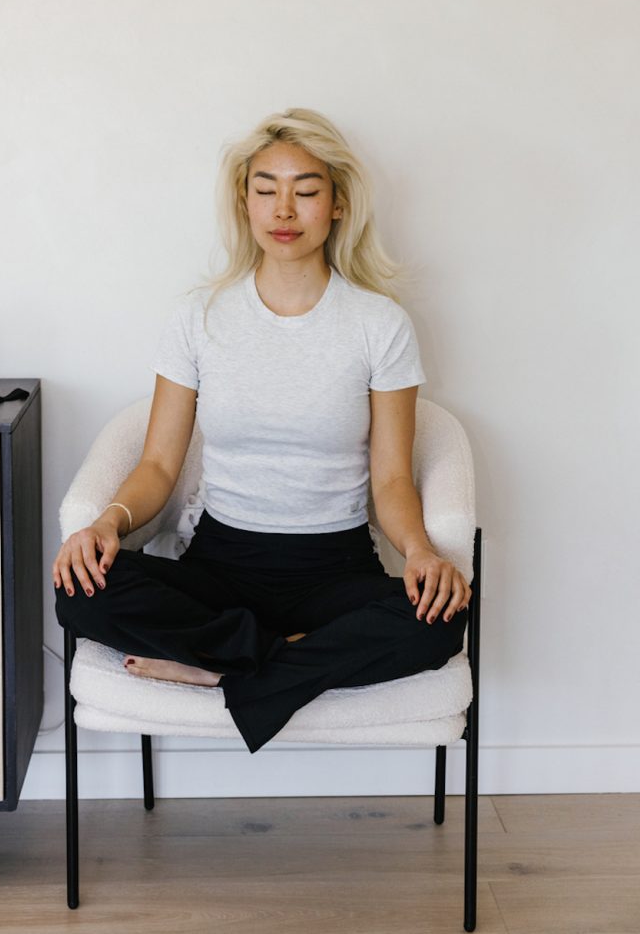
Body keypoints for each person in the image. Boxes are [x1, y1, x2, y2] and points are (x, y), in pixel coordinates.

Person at [54, 108, 471, 753]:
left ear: (336, 205)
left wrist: (419, 550)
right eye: (266, 189)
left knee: (441, 622)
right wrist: (107, 522)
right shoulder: (199, 317)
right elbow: (160, 465)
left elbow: (392, 478)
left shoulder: (378, 324)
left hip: (333, 565)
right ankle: (283, 660)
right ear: (244, 202)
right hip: (222, 563)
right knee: (80, 595)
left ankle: (217, 668)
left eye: (306, 191)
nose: (284, 209)